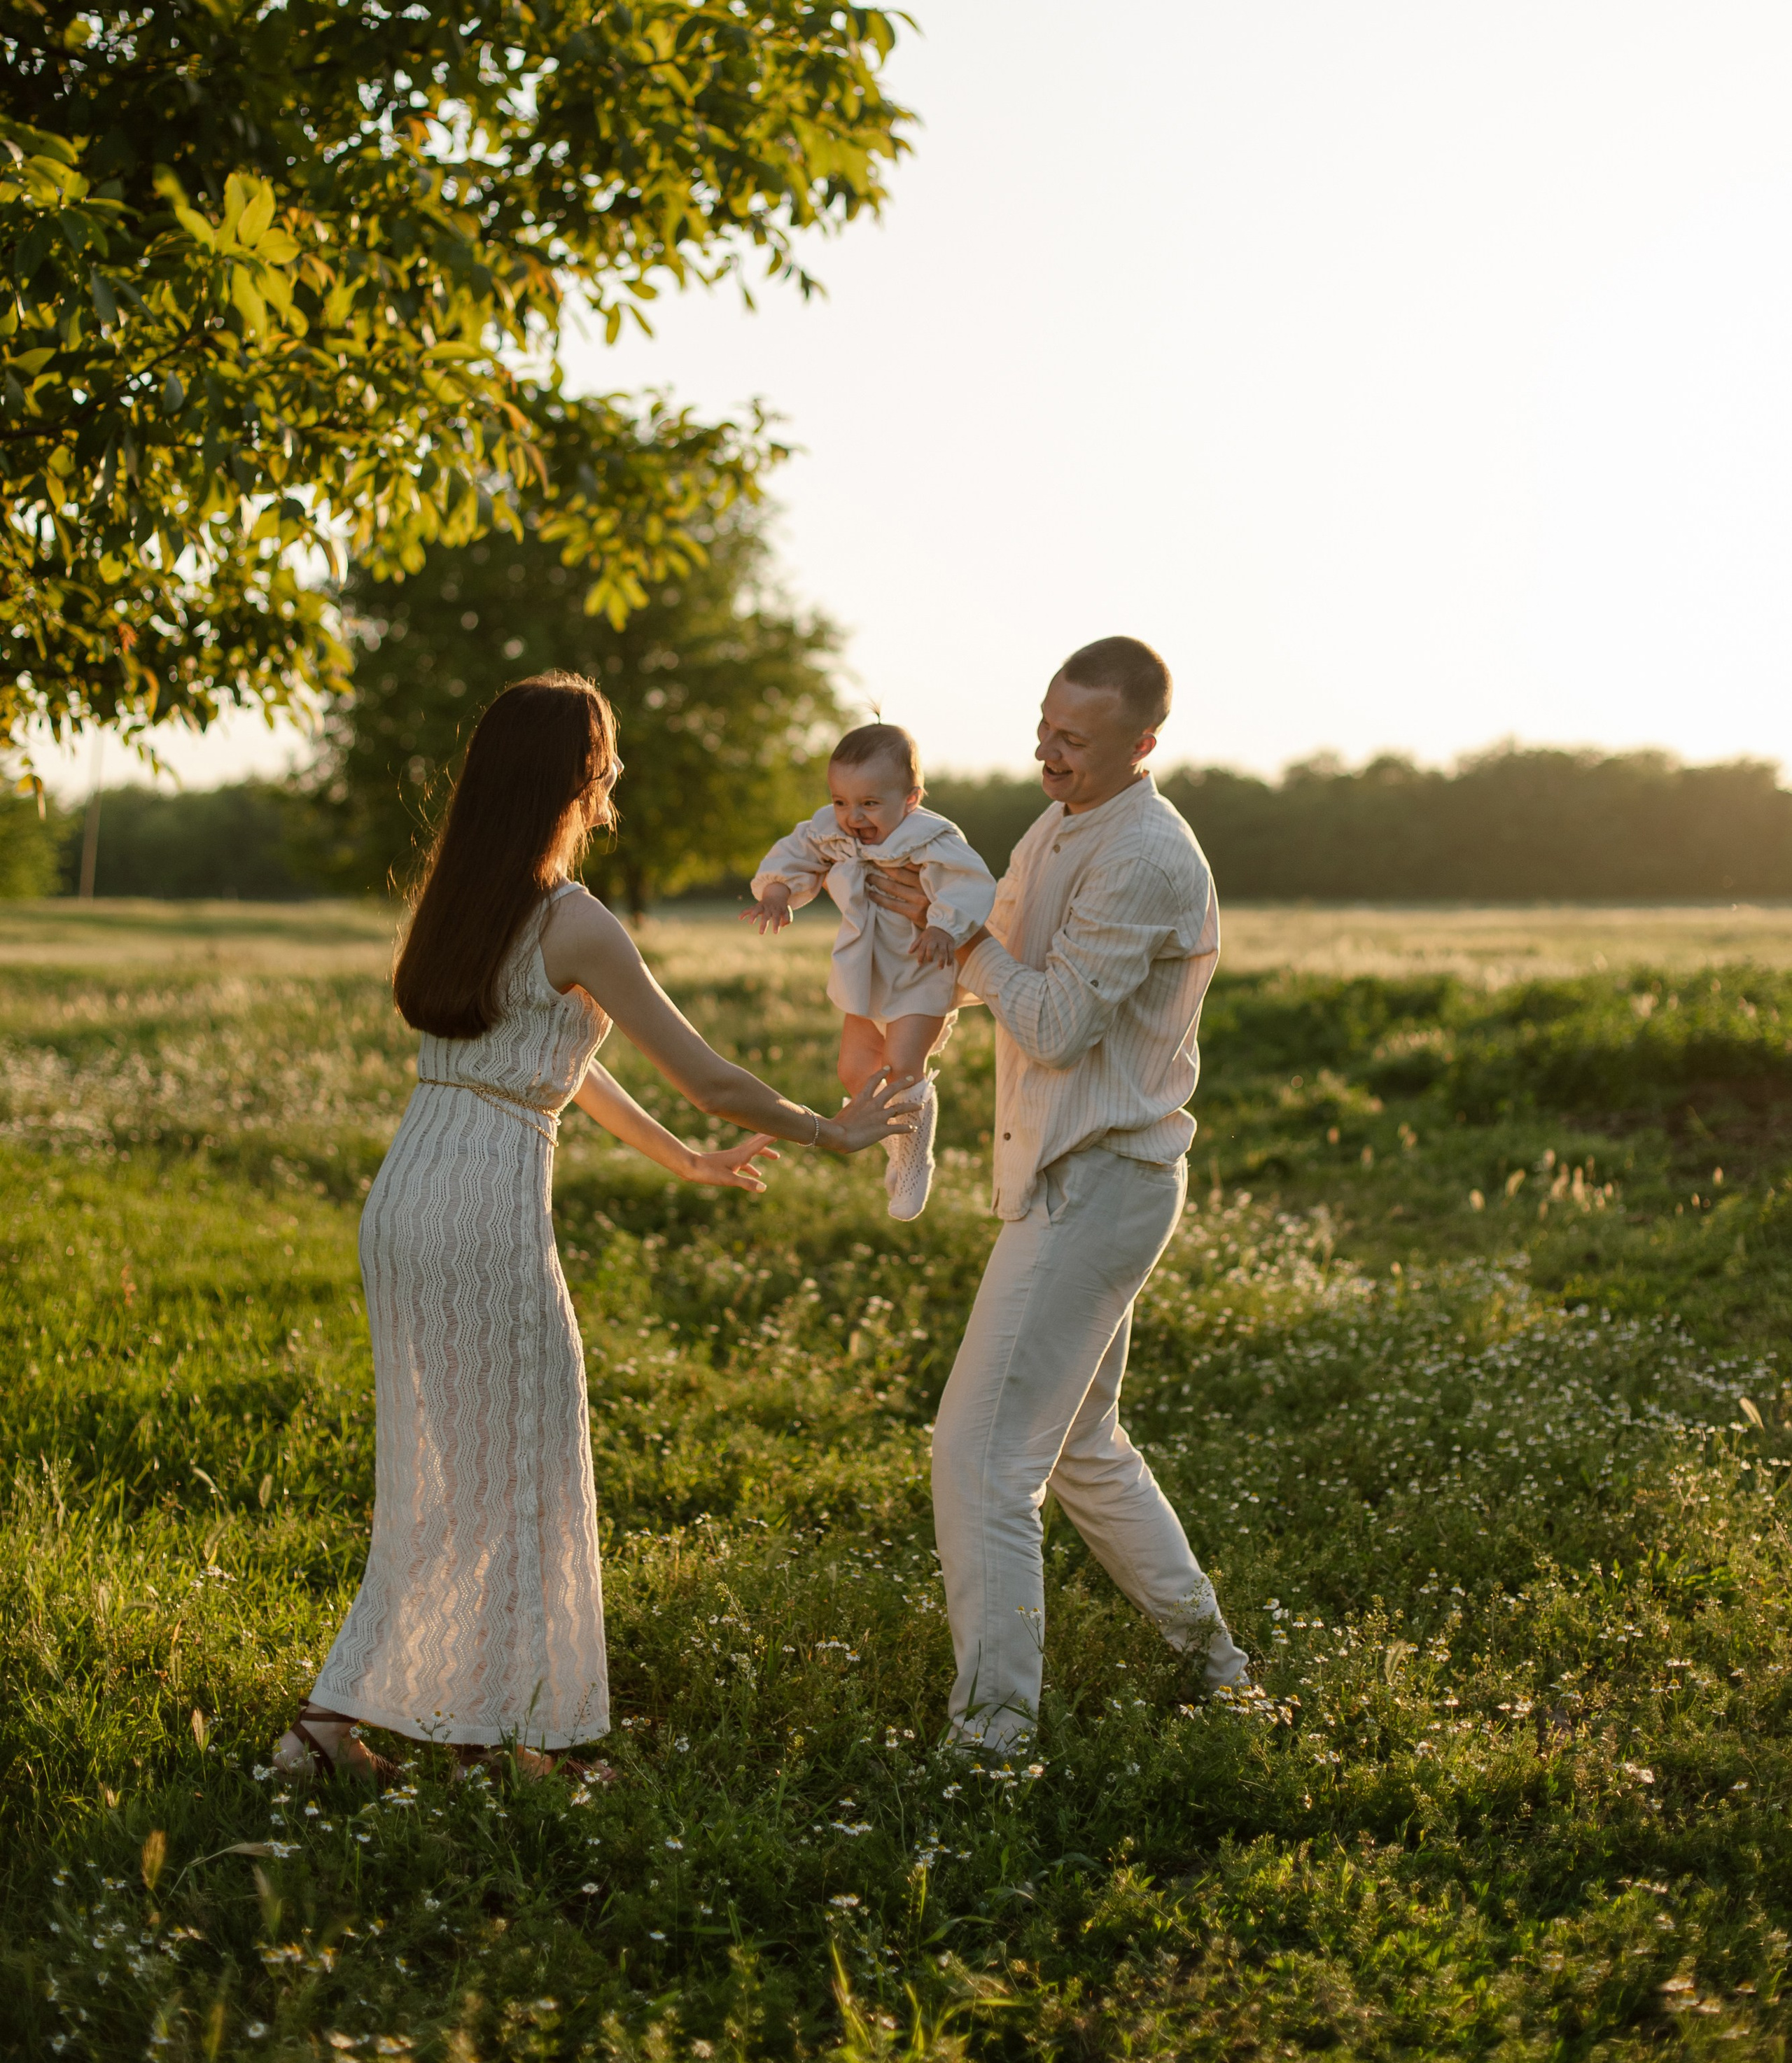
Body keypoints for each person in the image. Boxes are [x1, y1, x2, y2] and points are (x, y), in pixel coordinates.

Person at [275, 672, 916, 1786]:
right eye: (605, 756)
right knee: (519, 1467)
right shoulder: (572, 917)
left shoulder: (466, 897)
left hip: (412, 1187)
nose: (615, 773)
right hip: (480, 1203)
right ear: (579, 777)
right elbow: (709, 1072)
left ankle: (357, 1733)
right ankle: (509, 1744)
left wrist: (686, 1159)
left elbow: (559, 1064)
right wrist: (832, 1131)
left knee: (455, 1473)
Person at [867, 637, 1249, 1751]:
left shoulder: (1145, 856)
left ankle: (992, 1734)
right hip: (1075, 1174)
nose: (1048, 749)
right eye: (1043, 724)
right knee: (1082, 1442)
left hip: (1103, 1183)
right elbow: (1007, 973)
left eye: (1072, 738)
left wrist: (966, 938)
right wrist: (922, 910)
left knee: (979, 1457)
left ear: (1142, 744)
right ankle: (1214, 1662)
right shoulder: (1056, 826)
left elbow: (1055, 1021)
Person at [746, 722, 995, 1222]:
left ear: (910, 798)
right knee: (856, 1072)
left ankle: (913, 1158)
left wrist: (944, 926)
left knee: (902, 1067)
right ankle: (897, 1142)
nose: (852, 817)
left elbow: (968, 882)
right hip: (864, 971)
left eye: (869, 804)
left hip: (920, 968)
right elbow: (797, 851)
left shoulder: (930, 836)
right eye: (841, 801)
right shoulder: (833, 829)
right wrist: (777, 891)